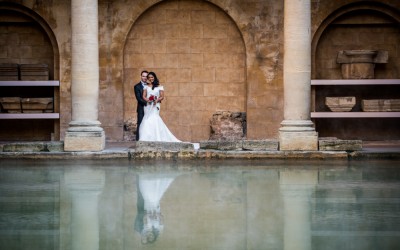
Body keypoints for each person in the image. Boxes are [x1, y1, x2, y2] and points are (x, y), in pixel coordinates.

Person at [138, 72, 180, 142]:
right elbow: (143, 96)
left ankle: (157, 136)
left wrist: (156, 100)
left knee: (154, 118)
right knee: (147, 119)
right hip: (148, 106)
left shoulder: (160, 86)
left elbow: (162, 96)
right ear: (148, 79)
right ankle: (146, 138)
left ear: (154, 77)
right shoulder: (146, 86)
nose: (151, 79)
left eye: (152, 77)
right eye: (149, 77)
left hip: (155, 105)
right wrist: (147, 100)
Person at [134, 70, 148, 141]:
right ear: (141, 77)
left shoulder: (150, 85)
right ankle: (138, 140)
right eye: (143, 76)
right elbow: (138, 98)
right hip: (141, 108)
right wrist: (147, 103)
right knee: (140, 124)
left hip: (150, 109)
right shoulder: (137, 86)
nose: (145, 78)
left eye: (146, 76)